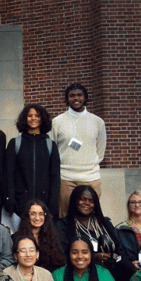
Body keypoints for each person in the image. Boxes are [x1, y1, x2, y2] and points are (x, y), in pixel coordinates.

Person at [54, 185, 134, 281]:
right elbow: (62, 252)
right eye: (82, 199)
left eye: (91, 201)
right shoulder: (64, 225)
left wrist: (111, 255)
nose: (87, 203)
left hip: (110, 263)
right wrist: (93, 257)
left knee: (128, 268)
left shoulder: (103, 222)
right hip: (81, 266)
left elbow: (119, 248)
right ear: (74, 201)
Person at [50, 83, 106, 217]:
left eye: (80, 95)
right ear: (66, 99)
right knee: (65, 217)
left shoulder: (97, 122)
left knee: (90, 217)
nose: (76, 98)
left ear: (85, 97)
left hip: (90, 178)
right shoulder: (57, 122)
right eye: (72, 95)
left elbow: (101, 150)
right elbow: (53, 150)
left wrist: (88, 165)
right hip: (65, 179)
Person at [5, 103, 60, 217]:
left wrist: (53, 203)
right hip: (20, 203)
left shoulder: (50, 145)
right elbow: (8, 174)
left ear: (42, 119)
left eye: (37, 115)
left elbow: (55, 176)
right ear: (25, 118)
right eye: (30, 116)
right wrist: (10, 199)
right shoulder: (15, 143)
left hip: (44, 203)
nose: (33, 118)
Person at [13, 200, 65, 273]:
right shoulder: (16, 237)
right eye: (33, 214)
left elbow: (58, 262)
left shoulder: (53, 237)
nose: (37, 218)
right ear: (27, 216)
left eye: (41, 214)